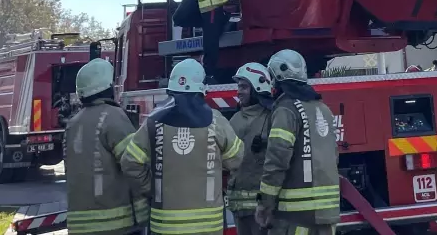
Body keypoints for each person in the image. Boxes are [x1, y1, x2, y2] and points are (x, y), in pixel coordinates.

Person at [121, 58, 243, 235]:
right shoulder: (216, 120)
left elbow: (130, 162)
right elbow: (236, 159)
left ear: (172, 90)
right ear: (201, 88)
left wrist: (151, 188)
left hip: (164, 225)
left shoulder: (153, 122)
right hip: (208, 226)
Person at [256, 50, 340, 235]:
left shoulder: (286, 109)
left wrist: (265, 203)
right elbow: (334, 155)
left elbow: (277, 160)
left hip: (296, 216)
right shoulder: (323, 108)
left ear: (278, 76)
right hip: (327, 215)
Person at [64, 58, 148, 235]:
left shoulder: (72, 124)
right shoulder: (113, 116)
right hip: (116, 225)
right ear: (107, 87)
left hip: (78, 226)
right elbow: (133, 163)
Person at [227, 63, 275, 235]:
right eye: (238, 86)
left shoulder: (272, 118)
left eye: (244, 87)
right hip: (238, 209)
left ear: (257, 88)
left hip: (261, 210)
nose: (239, 92)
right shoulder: (234, 119)